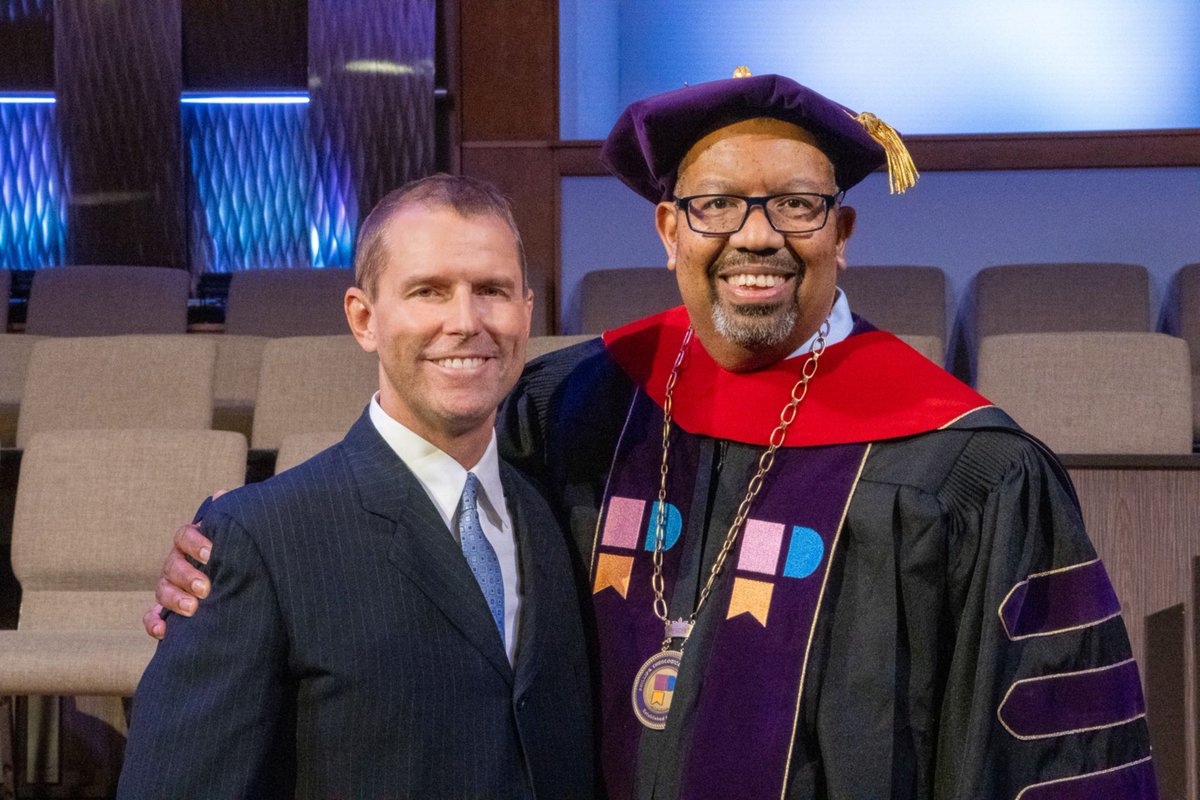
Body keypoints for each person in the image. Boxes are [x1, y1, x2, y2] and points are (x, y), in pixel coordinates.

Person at [153, 74, 1157, 799]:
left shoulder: (966, 469)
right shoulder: (585, 403)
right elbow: (408, 493)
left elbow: (1053, 753)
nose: (755, 237)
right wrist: (242, 567)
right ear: (668, 229)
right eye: (717, 204)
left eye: (796, 205)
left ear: (841, 234)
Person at [120, 175, 593, 799]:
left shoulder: (566, 513)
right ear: (364, 318)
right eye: (428, 291)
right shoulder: (259, 539)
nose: (465, 320)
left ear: (527, 312)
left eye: (492, 291)